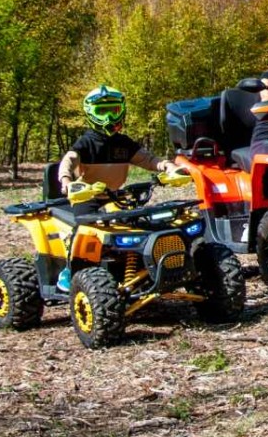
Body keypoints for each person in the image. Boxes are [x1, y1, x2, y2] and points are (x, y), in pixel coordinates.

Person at [56, 85, 179, 289]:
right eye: (102, 111)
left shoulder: (124, 143)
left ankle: (139, 268)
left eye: (113, 110)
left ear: (121, 110)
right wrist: (66, 181)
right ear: (90, 113)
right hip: (86, 197)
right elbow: (69, 160)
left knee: (138, 225)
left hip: (116, 196)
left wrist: (167, 166)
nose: (108, 117)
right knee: (83, 230)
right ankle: (71, 270)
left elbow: (147, 159)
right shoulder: (87, 142)